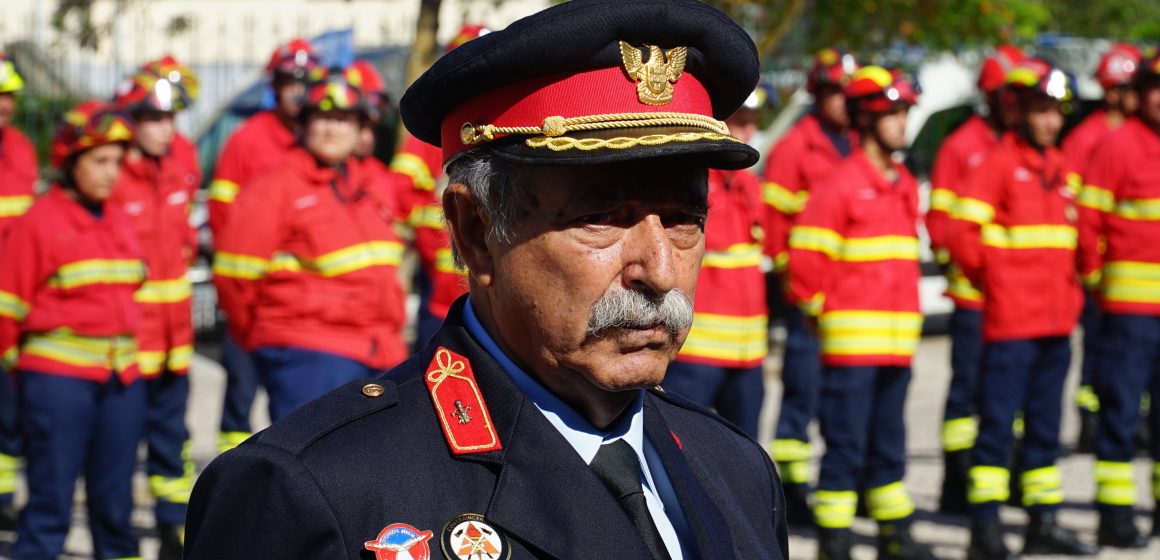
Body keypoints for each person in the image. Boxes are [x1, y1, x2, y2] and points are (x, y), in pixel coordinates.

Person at [185, 2, 789, 559]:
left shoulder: (735, 468)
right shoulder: (315, 494)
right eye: (601, 219)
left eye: (686, 219)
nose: (659, 270)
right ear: (476, 232)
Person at [949, 58, 1097, 559]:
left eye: (1057, 110)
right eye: (1042, 110)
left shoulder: (1061, 168)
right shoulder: (997, 164)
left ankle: (1042, 520)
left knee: (1045, 428)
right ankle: (985, 530)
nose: (1052, 120)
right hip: (1011, 322)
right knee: (996, 426)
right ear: (1022, 112)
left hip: (1056, 322)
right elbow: (961, 237)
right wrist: (1000, 284)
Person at [789, 66, 933, 560]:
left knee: (890, 442)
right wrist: (819, 313)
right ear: (867, 120)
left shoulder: (903, 182)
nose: (902, 122)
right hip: (851, 346)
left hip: (896, 343)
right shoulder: (841, 184)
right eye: (893, 113)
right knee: (846, 446)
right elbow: (806, 262)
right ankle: (836, 540)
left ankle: (895, 534)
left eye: (905, 112)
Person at [212, 66, 408, 423]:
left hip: (381, 349)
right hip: (306, 353)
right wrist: (270, 336)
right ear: (303, 125)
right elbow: (234, 279)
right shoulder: (273, 188)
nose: (333, 128)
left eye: (344, 119)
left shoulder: (373, 186)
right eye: (322, 118)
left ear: (361, 128)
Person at [0, 101, 144, 560]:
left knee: (114, 507)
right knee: (49, 508)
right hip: (58, 387)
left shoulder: (119, 218)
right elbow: (6, 310)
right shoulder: (40, 223)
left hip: (120, 381)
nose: (111, 174)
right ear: (70, 161)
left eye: (118, 162)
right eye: (99, 161)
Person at [208, 37, 323, 453]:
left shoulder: (319, 141)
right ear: (273, 86)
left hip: (299, 306)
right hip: (251, 296)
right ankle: (231, 472)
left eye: (306, 81)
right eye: (289, 81)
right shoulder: (248, 139)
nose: (297, 90)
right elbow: (222, 217)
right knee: (241, 392)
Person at [925, 43, 1025, 514]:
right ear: (991, 96)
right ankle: (956, 480)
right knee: (967, 391)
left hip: (1018, 302)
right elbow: (941, 224)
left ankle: (1007, 476)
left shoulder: (1021, 147)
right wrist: (975, 269)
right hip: (974, 297)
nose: (1015, 104)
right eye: (1008, 95)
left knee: (1010, 395)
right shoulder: (962, 146)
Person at [109, 55, 201, 560]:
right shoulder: (112, 170)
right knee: (119, 448)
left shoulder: (182, 159)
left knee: (173, 441)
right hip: (128, 339)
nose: (168, 130)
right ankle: (116, 535)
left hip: (174, 337)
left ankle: (173, 528)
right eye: (156, 120)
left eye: (171, 119)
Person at [764, 47, 858, 525]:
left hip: (852, 295)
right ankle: (792, 484)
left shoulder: (857, 143)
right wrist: (795, 277)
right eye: (836, 92)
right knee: (802, 390)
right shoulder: (797, 147)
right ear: (819, 94)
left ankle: (841, 476)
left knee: (843, 393)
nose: (844, 102)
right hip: (808, 292)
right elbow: (774, 220)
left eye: (849, 93)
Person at [660, 82, 774, 439]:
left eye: (753, 120)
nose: (749, 130)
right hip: (697, 351)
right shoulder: (695, 186)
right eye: (740, 120)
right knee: (680, 445)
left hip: (748, 352)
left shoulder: (748, 184)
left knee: (745, 451)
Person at [1079, 50, 1160, 548]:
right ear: (1140, 94)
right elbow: (1089, 223)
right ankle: (1115, 513)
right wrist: (1096, 282)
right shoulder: (1118, 145)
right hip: (1128, 313)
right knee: (1121, 414)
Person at [1062, 42, 1143, 453]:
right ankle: (1090, 425)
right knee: (1097, 351)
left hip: (1133, 274)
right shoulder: (1086, 137)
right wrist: (1089, 264)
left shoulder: (1144, 135)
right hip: (1101, 271)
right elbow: (1074, 207)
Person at [390, 24, 489, 349]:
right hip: (443, 284)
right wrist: (434, 236)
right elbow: (400, 195)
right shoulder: (432, 139)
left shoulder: (512, 127)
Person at [0, 51, 37, 530]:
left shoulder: (23, 149)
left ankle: (3, 496)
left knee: (9, 409)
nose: (4, 105)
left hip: (12, 297)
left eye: (7, 96)